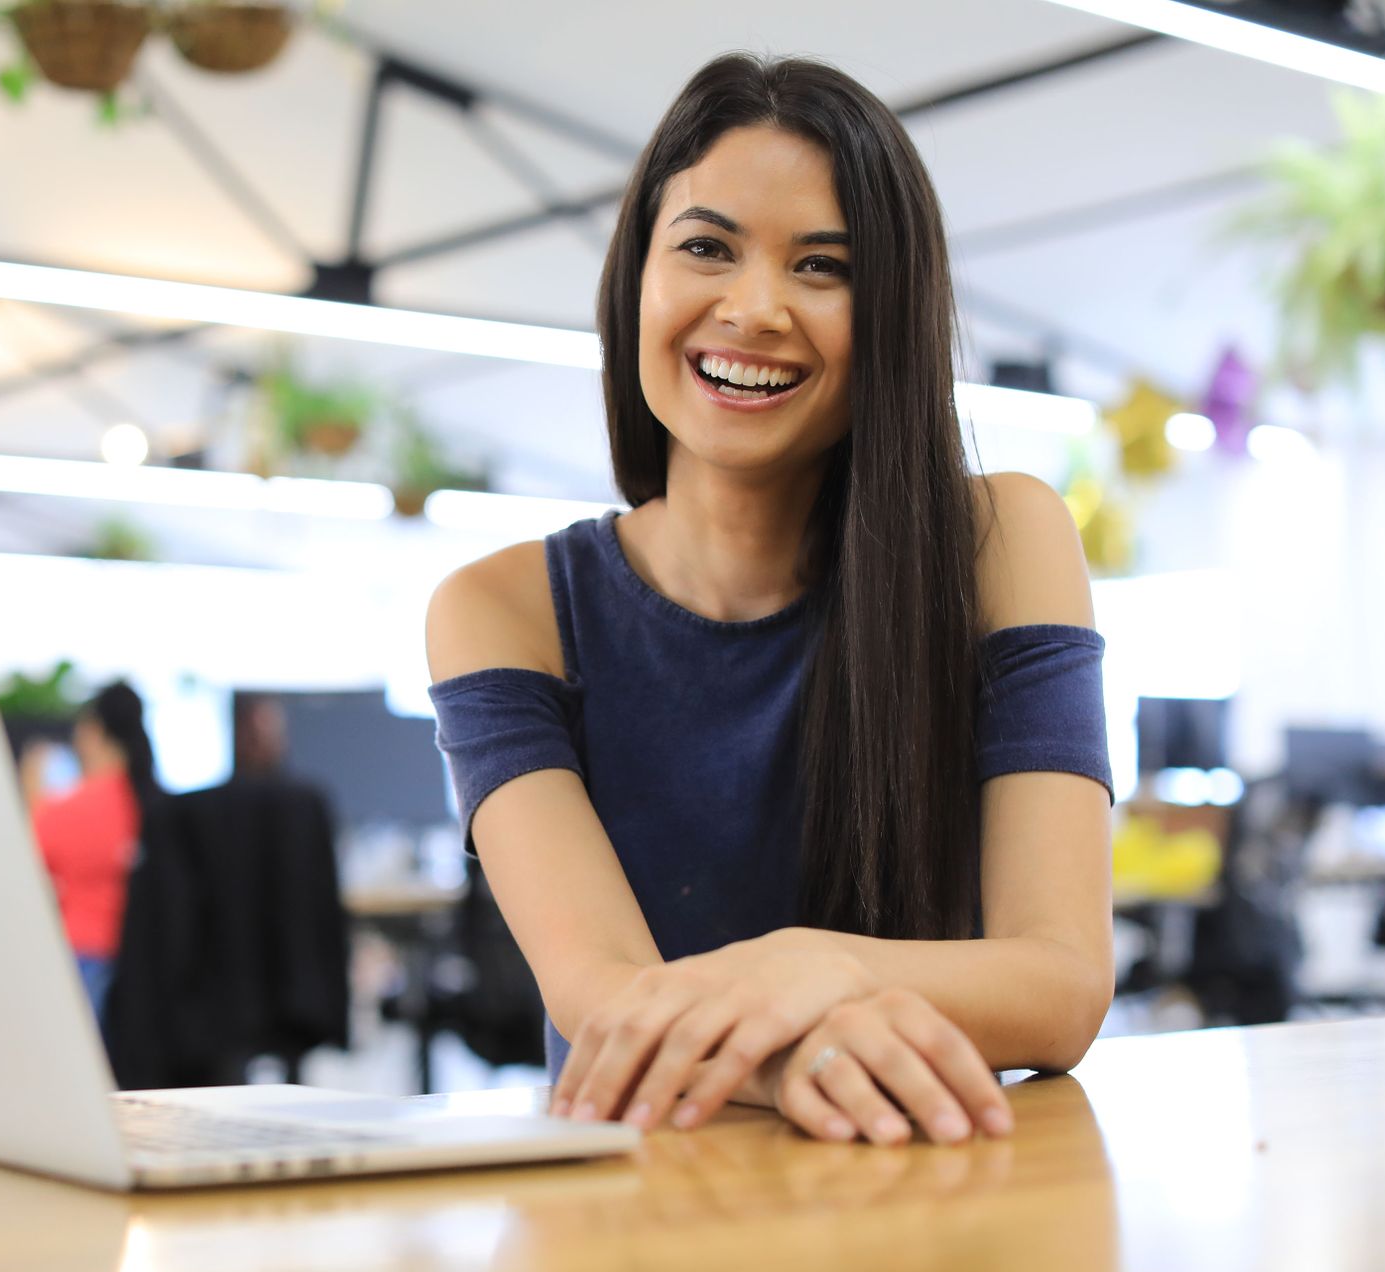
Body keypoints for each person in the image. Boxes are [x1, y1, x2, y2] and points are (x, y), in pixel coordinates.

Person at [425, 54, 1114, 1147]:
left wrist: (815, 962)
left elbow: (1062, 984)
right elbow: (600, 995)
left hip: (927, 1200)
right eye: (705, 247)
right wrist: (812, 1044)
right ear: (635, 279)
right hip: (636, 1228)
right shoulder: (502, 608)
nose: (751, 309)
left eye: (822, 267)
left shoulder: (1001, 540)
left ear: (888, 314)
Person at [19, 682, 160, 1016]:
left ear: (93, 731)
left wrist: (30, 792)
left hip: (82, 956)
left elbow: (25, 872)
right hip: (145, 958)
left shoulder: (64, 809)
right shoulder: (151, 803)